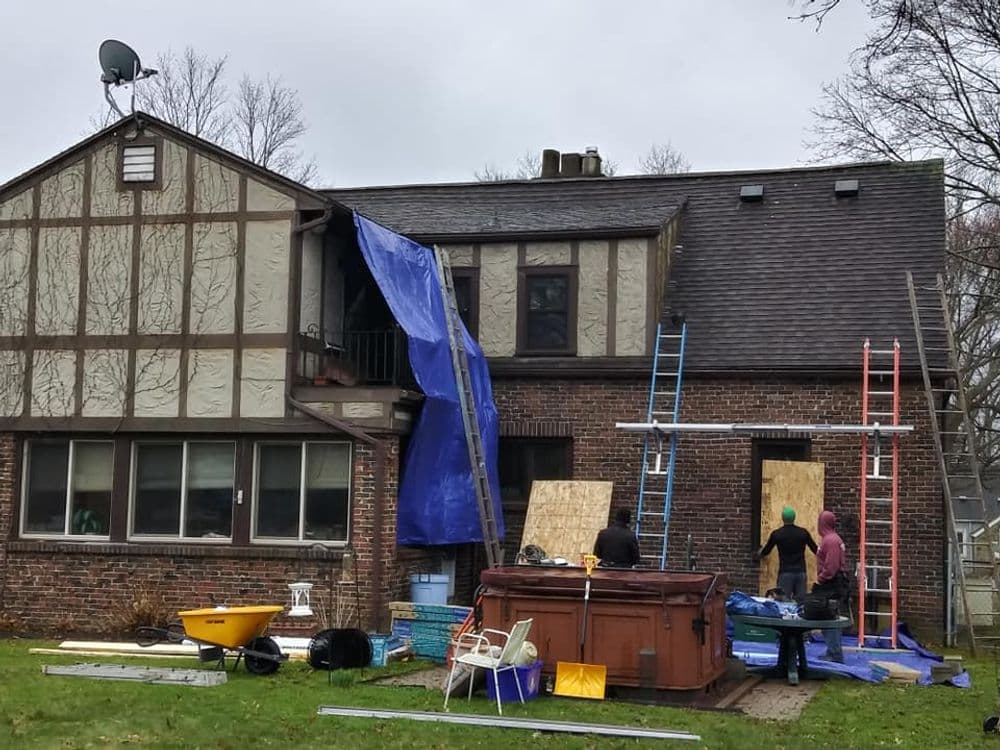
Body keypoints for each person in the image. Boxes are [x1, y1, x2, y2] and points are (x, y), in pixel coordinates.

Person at [754, 506, 818, 602]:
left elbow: (766, 551)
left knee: (783, 603)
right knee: (800, 603)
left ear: (783, 518)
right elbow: (815, 549)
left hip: (785, 573)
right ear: (794, 517)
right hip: (801, 572)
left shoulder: (777, 534)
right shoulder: (803, 533)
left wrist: (758, 553)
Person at [812, 509, 850, 663]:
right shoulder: (832, 539)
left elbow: (832, 565)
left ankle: (835, 653)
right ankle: (833, 651)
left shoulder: (831, 540)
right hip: (833, 581)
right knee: (829, 615)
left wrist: (821, 578)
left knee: (829, 617)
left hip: (831, 583)